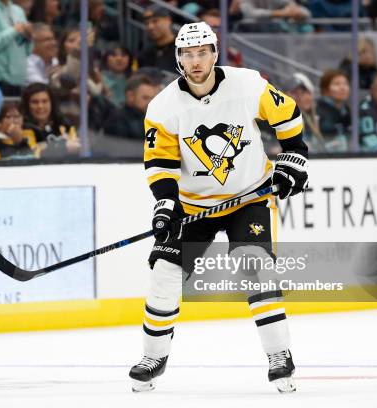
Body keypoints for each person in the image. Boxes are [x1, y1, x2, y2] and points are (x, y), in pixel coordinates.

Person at [130, 21, 307, 394]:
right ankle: (153, 356)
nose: (196, 61)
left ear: (214, 53)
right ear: (179, 58)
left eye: (202, 52)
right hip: (194, 206)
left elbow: (288, 114)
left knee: (256, 267)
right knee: (164, 273)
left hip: (249, 197)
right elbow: (159, 164)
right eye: (188, 54)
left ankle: (279, 355)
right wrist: (165, 205)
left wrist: (293, 158)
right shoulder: (162, 106)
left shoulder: (248, 84)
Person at [0, 0, 32, 96]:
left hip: (19, 81)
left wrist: (29, 37)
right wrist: (14, 30)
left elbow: (27, 52)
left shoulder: (18, 10)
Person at [20, 82, 80, 158]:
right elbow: (32, 154)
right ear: (27, 105)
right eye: (35, 102)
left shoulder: (63, 123)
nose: (40, 106)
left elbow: (77, 145)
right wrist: (63, 147)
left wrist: (45, 146)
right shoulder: (24, 127)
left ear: (52, 103)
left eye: (45, 101)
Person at [102, 74, 160, 139]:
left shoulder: (149, 119)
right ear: (130, 96)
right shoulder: (117, 120)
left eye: (152, 99)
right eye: (145, 98)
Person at [285, 72, 325, 152]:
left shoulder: (320, 116)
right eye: (294, 93)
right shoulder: (280, 119)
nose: (301, 98)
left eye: (305, 93)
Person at [316, 69, 350, 152]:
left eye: (345, 84)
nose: (343, 88)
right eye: (337, 84)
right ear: (325, 89)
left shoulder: (347, 110)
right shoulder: (318, 111)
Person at [137, 5, 177, 74]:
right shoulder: (145, 54)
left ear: (168, 20)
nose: (150, 27)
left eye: (155, 21)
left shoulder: (184, 50)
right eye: (146, 23)